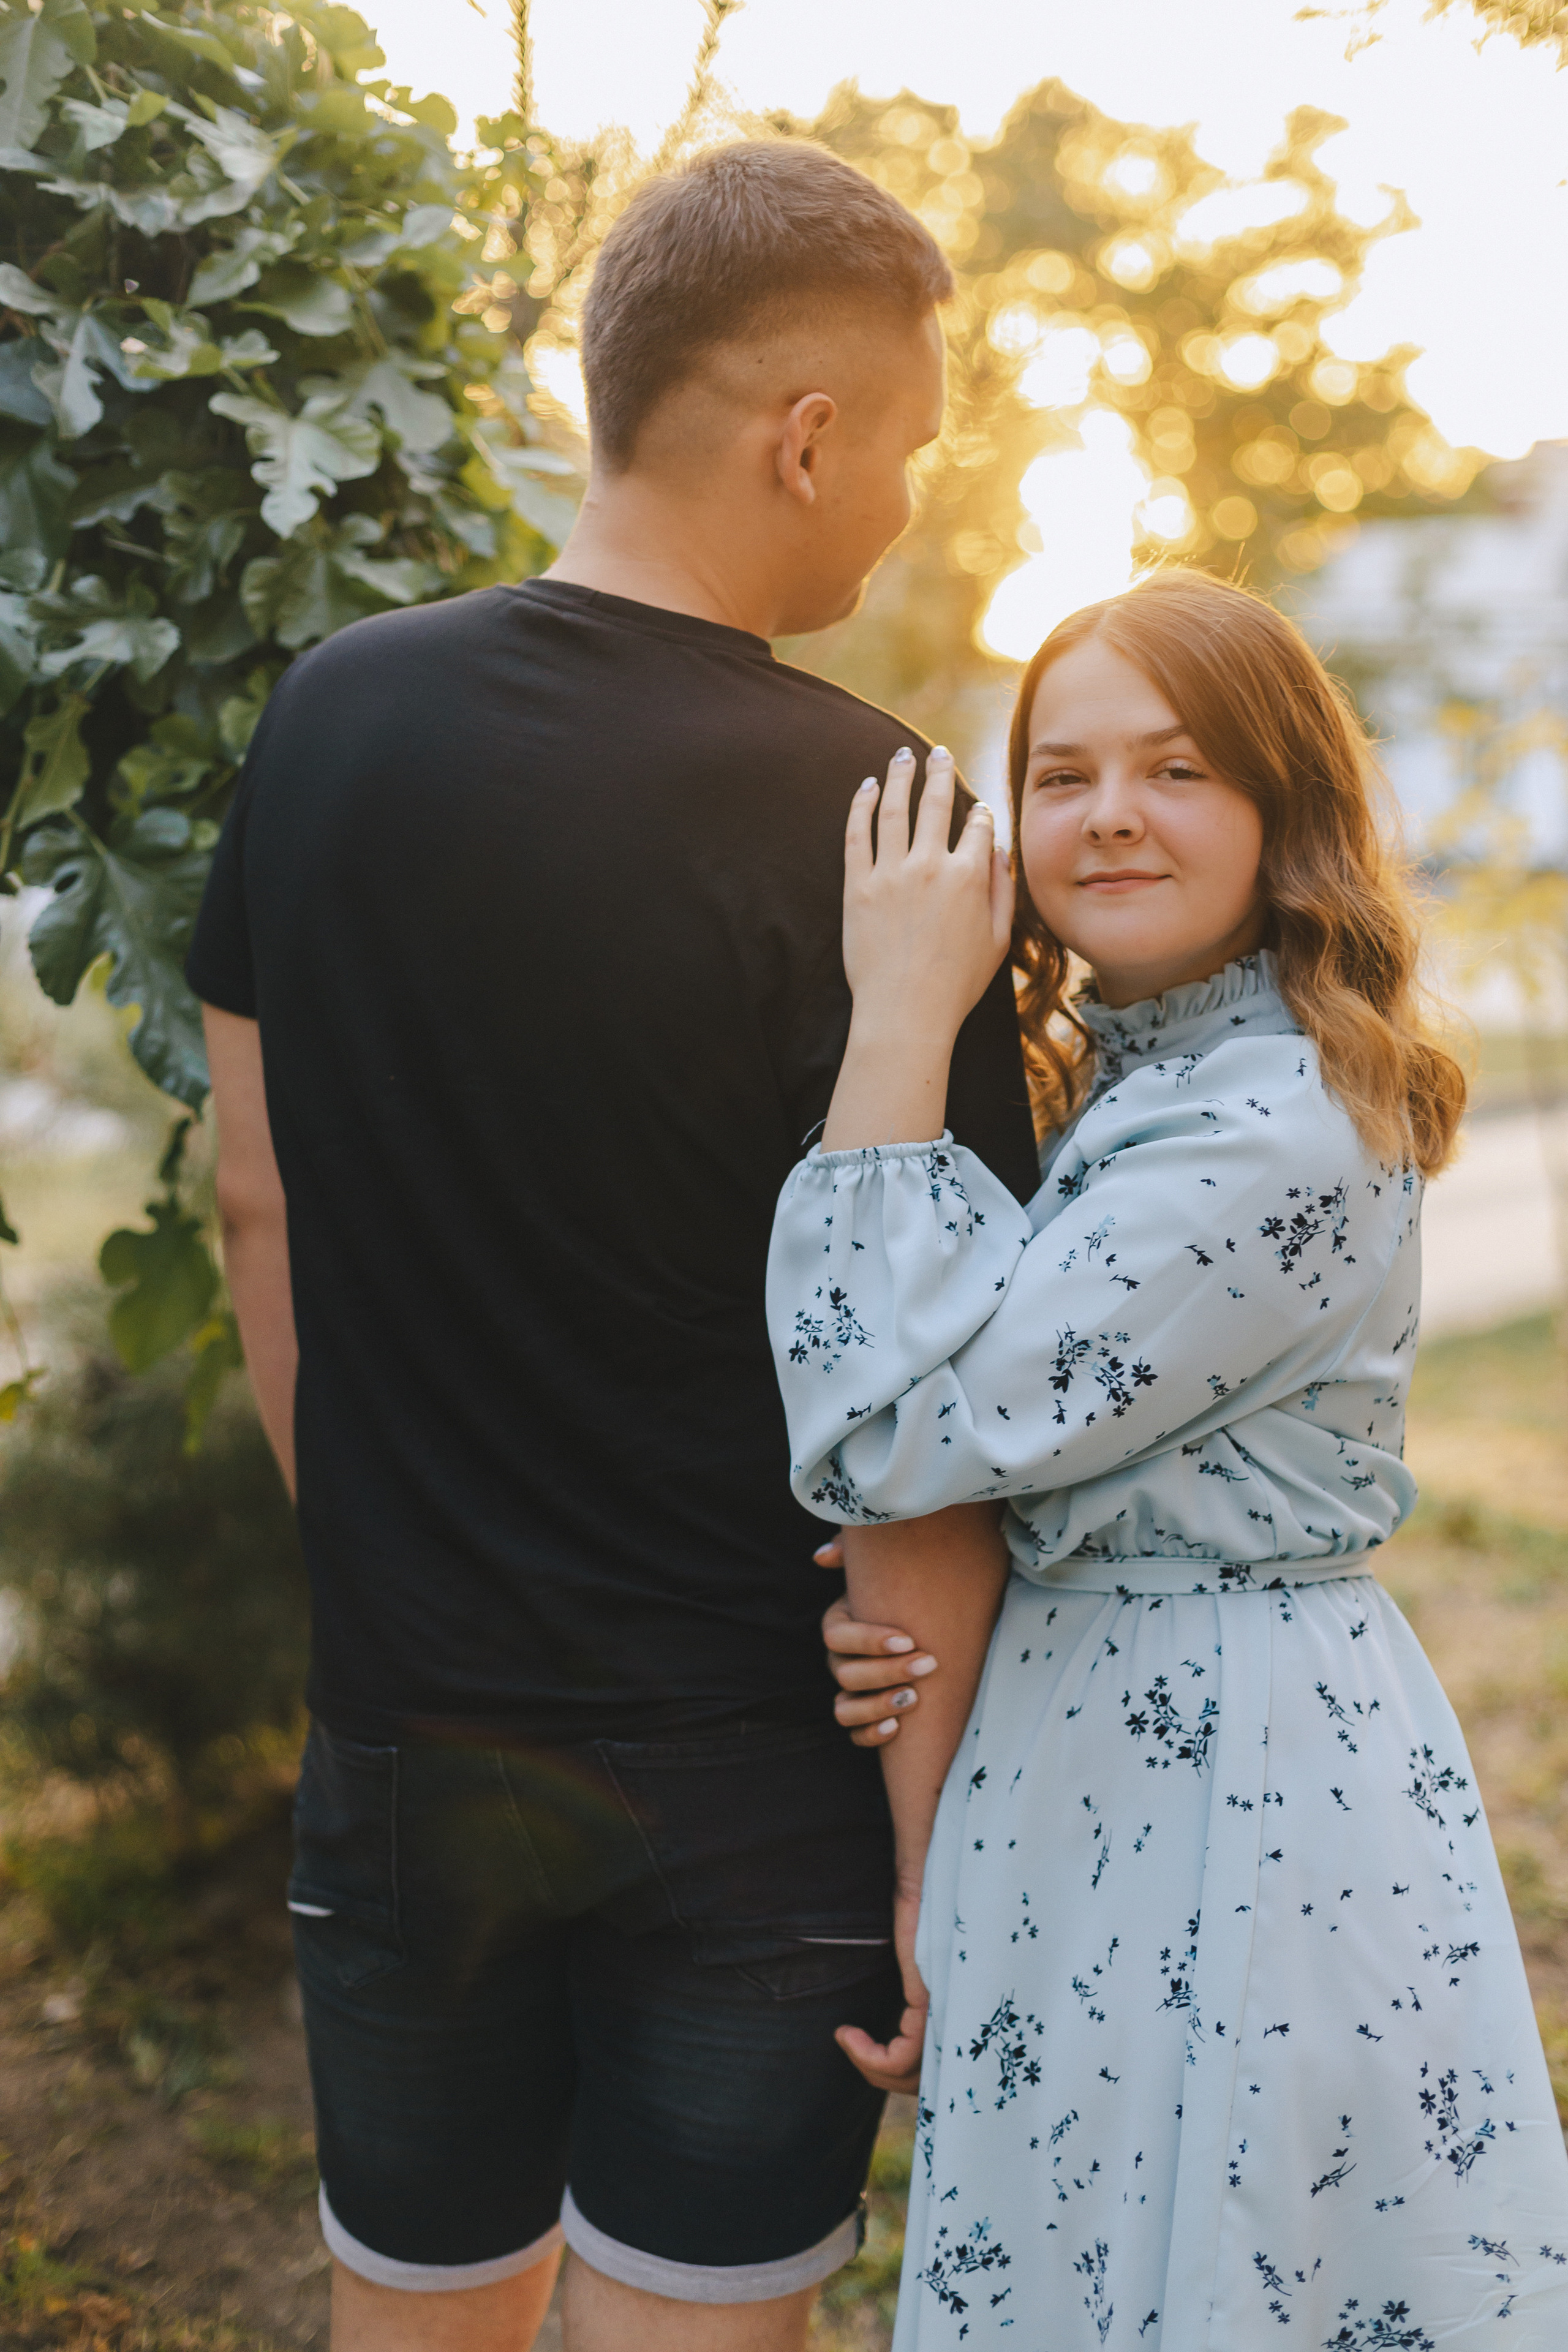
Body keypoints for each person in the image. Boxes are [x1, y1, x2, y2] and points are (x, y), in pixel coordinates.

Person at [186, 140, 1038, 2352]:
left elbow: (253, 1192)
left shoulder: (326, 725)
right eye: (914, 452)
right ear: (807, 432)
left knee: (419, 2310)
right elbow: (923, 1382)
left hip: (403, 1737)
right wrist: (940, 1854)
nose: (909, 507)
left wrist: (381, 1568)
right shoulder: (889, 819)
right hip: (756, 1769)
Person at [764, 570, 1568, 2348]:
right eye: (1063, 774)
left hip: (1231, 1773)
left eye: (1180, 768)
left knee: (1220, 2260)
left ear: (1285, 815)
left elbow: (892, 1433)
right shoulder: (1147, 1082)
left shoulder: (1272, 1120)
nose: (1111, 812)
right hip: (1114, 1735)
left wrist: (894, 1017)